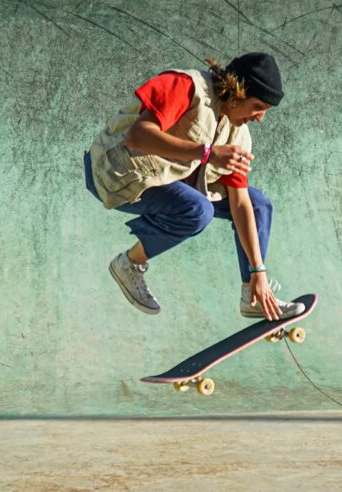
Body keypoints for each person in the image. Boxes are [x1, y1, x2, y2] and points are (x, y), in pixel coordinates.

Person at [84, 52, 305, 321]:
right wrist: (207, 153)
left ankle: (253, 296)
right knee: (198, 210)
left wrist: (259, 271)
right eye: (258, 107)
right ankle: (130, 262)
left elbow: (240, 203)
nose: (260, 118)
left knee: (258, 203)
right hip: (114, 169)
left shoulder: (239, 136)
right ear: (237, 93)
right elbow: (137, 136)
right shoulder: (186, 87)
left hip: (166, 179)